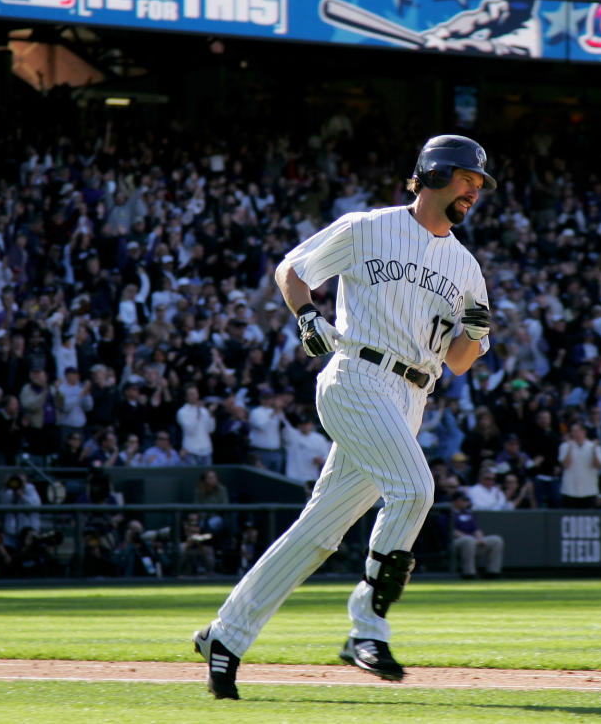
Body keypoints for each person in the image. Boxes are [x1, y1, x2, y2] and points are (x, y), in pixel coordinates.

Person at [194, 134, 496, 700]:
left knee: (317, 535)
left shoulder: (467, 267)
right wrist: (307, 317)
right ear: (432, 174)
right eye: (466, 179)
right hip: (356, 376)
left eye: (479, 184)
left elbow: (457, 362)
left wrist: (477, 336)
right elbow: (293, 269)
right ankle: (367, 624)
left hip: (411, 399)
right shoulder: (367, 227)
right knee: (414, 489)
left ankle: (225, 636)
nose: (473, 192)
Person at [448, 491, 504, 579]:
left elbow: (476, 529)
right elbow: (451, 531)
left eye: (467, 500)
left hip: (472, 542)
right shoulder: (447, 513)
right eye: (463, 500)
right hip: (455, 543)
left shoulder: (468, 513)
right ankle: (469, 573)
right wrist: (471, 539)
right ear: (456, 501)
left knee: (496, 540)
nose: (466, 502)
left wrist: (480, 539)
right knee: (468, 540)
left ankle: (493, 572)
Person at [558, 422, 601, 508]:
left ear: (584, 432)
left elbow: (598, 466)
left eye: (577, 431)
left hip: (589, 490)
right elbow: (565, 465)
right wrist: (570, 448)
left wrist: (594, 451)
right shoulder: (564, 446)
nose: (574, 433)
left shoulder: (594, 446)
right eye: (572, 431)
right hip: (569, 490)